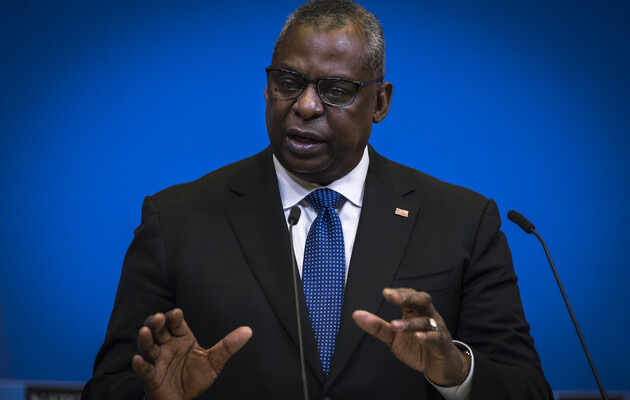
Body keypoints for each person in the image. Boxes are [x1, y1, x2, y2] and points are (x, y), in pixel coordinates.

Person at [82, 1, 553, 399]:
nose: (305, 106)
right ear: (268, 86)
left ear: (380, 102)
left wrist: (457, 372)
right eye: (288, 82)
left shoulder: (462, 221)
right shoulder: (175, 221)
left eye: (335, 90)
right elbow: (107, 386)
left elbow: (528, 389)